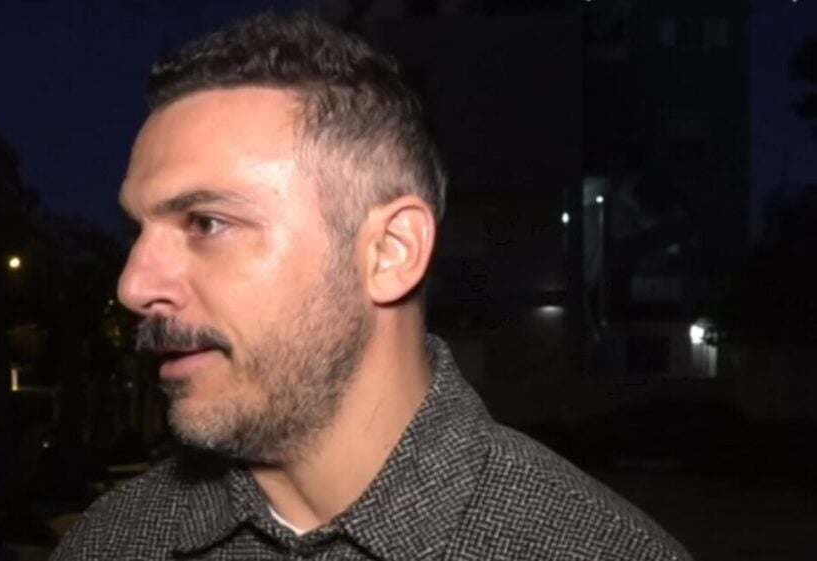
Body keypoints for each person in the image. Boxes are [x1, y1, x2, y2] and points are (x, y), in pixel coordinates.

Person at [53, 12, 692, 561]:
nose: (133, 285)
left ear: (390, 252)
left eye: (207, 222)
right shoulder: (110, 542)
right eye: (137, 231)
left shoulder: (596, 548)